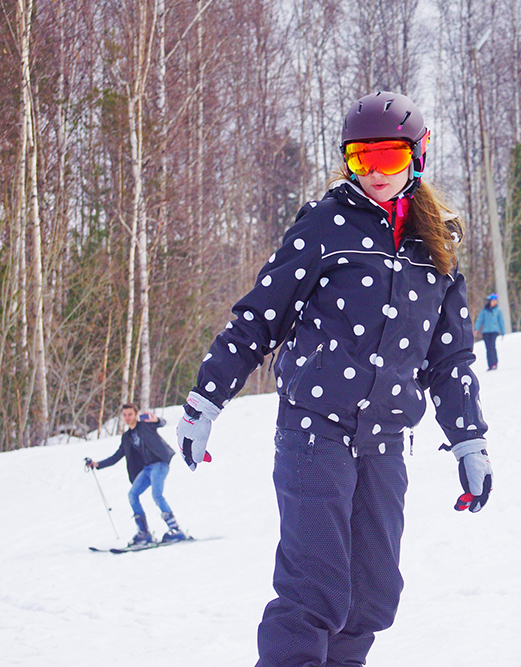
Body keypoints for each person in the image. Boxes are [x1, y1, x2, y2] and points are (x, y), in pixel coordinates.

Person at [175, 91, 493, 667]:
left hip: (385, 444)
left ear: (418, 156)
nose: (373, 172)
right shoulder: (325, 226)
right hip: (314, 433)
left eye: (388, 158)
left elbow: (450, 361)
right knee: (313, 592)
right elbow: (259, 317)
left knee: (373, 598)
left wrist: (469, 440)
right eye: (360, 159)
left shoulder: (438, 245)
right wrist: (206, 400)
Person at [86, 403, 185, 546]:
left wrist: (156, 420)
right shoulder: (127, 437)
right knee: (133, 495)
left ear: (136, 414)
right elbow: (117, 456)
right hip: (146, 469)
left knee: (157, 495)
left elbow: (162, 423)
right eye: (124, 415)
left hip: (159, 464)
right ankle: (144, 533)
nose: (127, 418)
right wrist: (97, 464)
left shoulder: (145, 425)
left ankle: (175, 530)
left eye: (130, 414)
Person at [473, 293, 505, 370]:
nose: (494, 302)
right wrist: (476, 329)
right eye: (493, 301)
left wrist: (502, 332)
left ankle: (494, 363)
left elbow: (501, 321)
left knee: (492, 346)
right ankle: (490, 364)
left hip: (494, 331)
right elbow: (479, 320)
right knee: (488, 348)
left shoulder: (498, 310)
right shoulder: (484, 311)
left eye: (495, 301)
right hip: (486, 331)